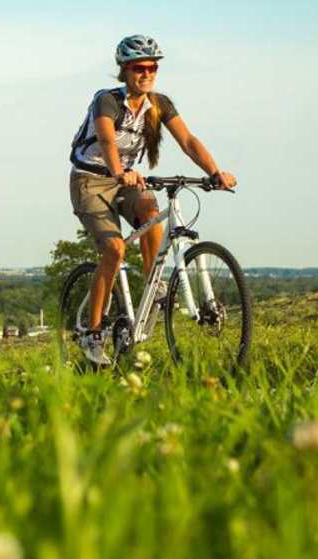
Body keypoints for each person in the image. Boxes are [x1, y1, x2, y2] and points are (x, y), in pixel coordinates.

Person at [69, 34, 237, 366]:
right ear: (124, 70)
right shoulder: (107, 101)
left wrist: (215, 171)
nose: (146, 74)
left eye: (153, 68)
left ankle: (154, 285)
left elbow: (187, 139)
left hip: (128, 179)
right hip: (90, 180)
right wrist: (119, 171)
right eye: (139, 68)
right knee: (114, 249)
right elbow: (106, 139)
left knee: (150, 211)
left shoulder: (159, 104)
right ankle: (93, 333)